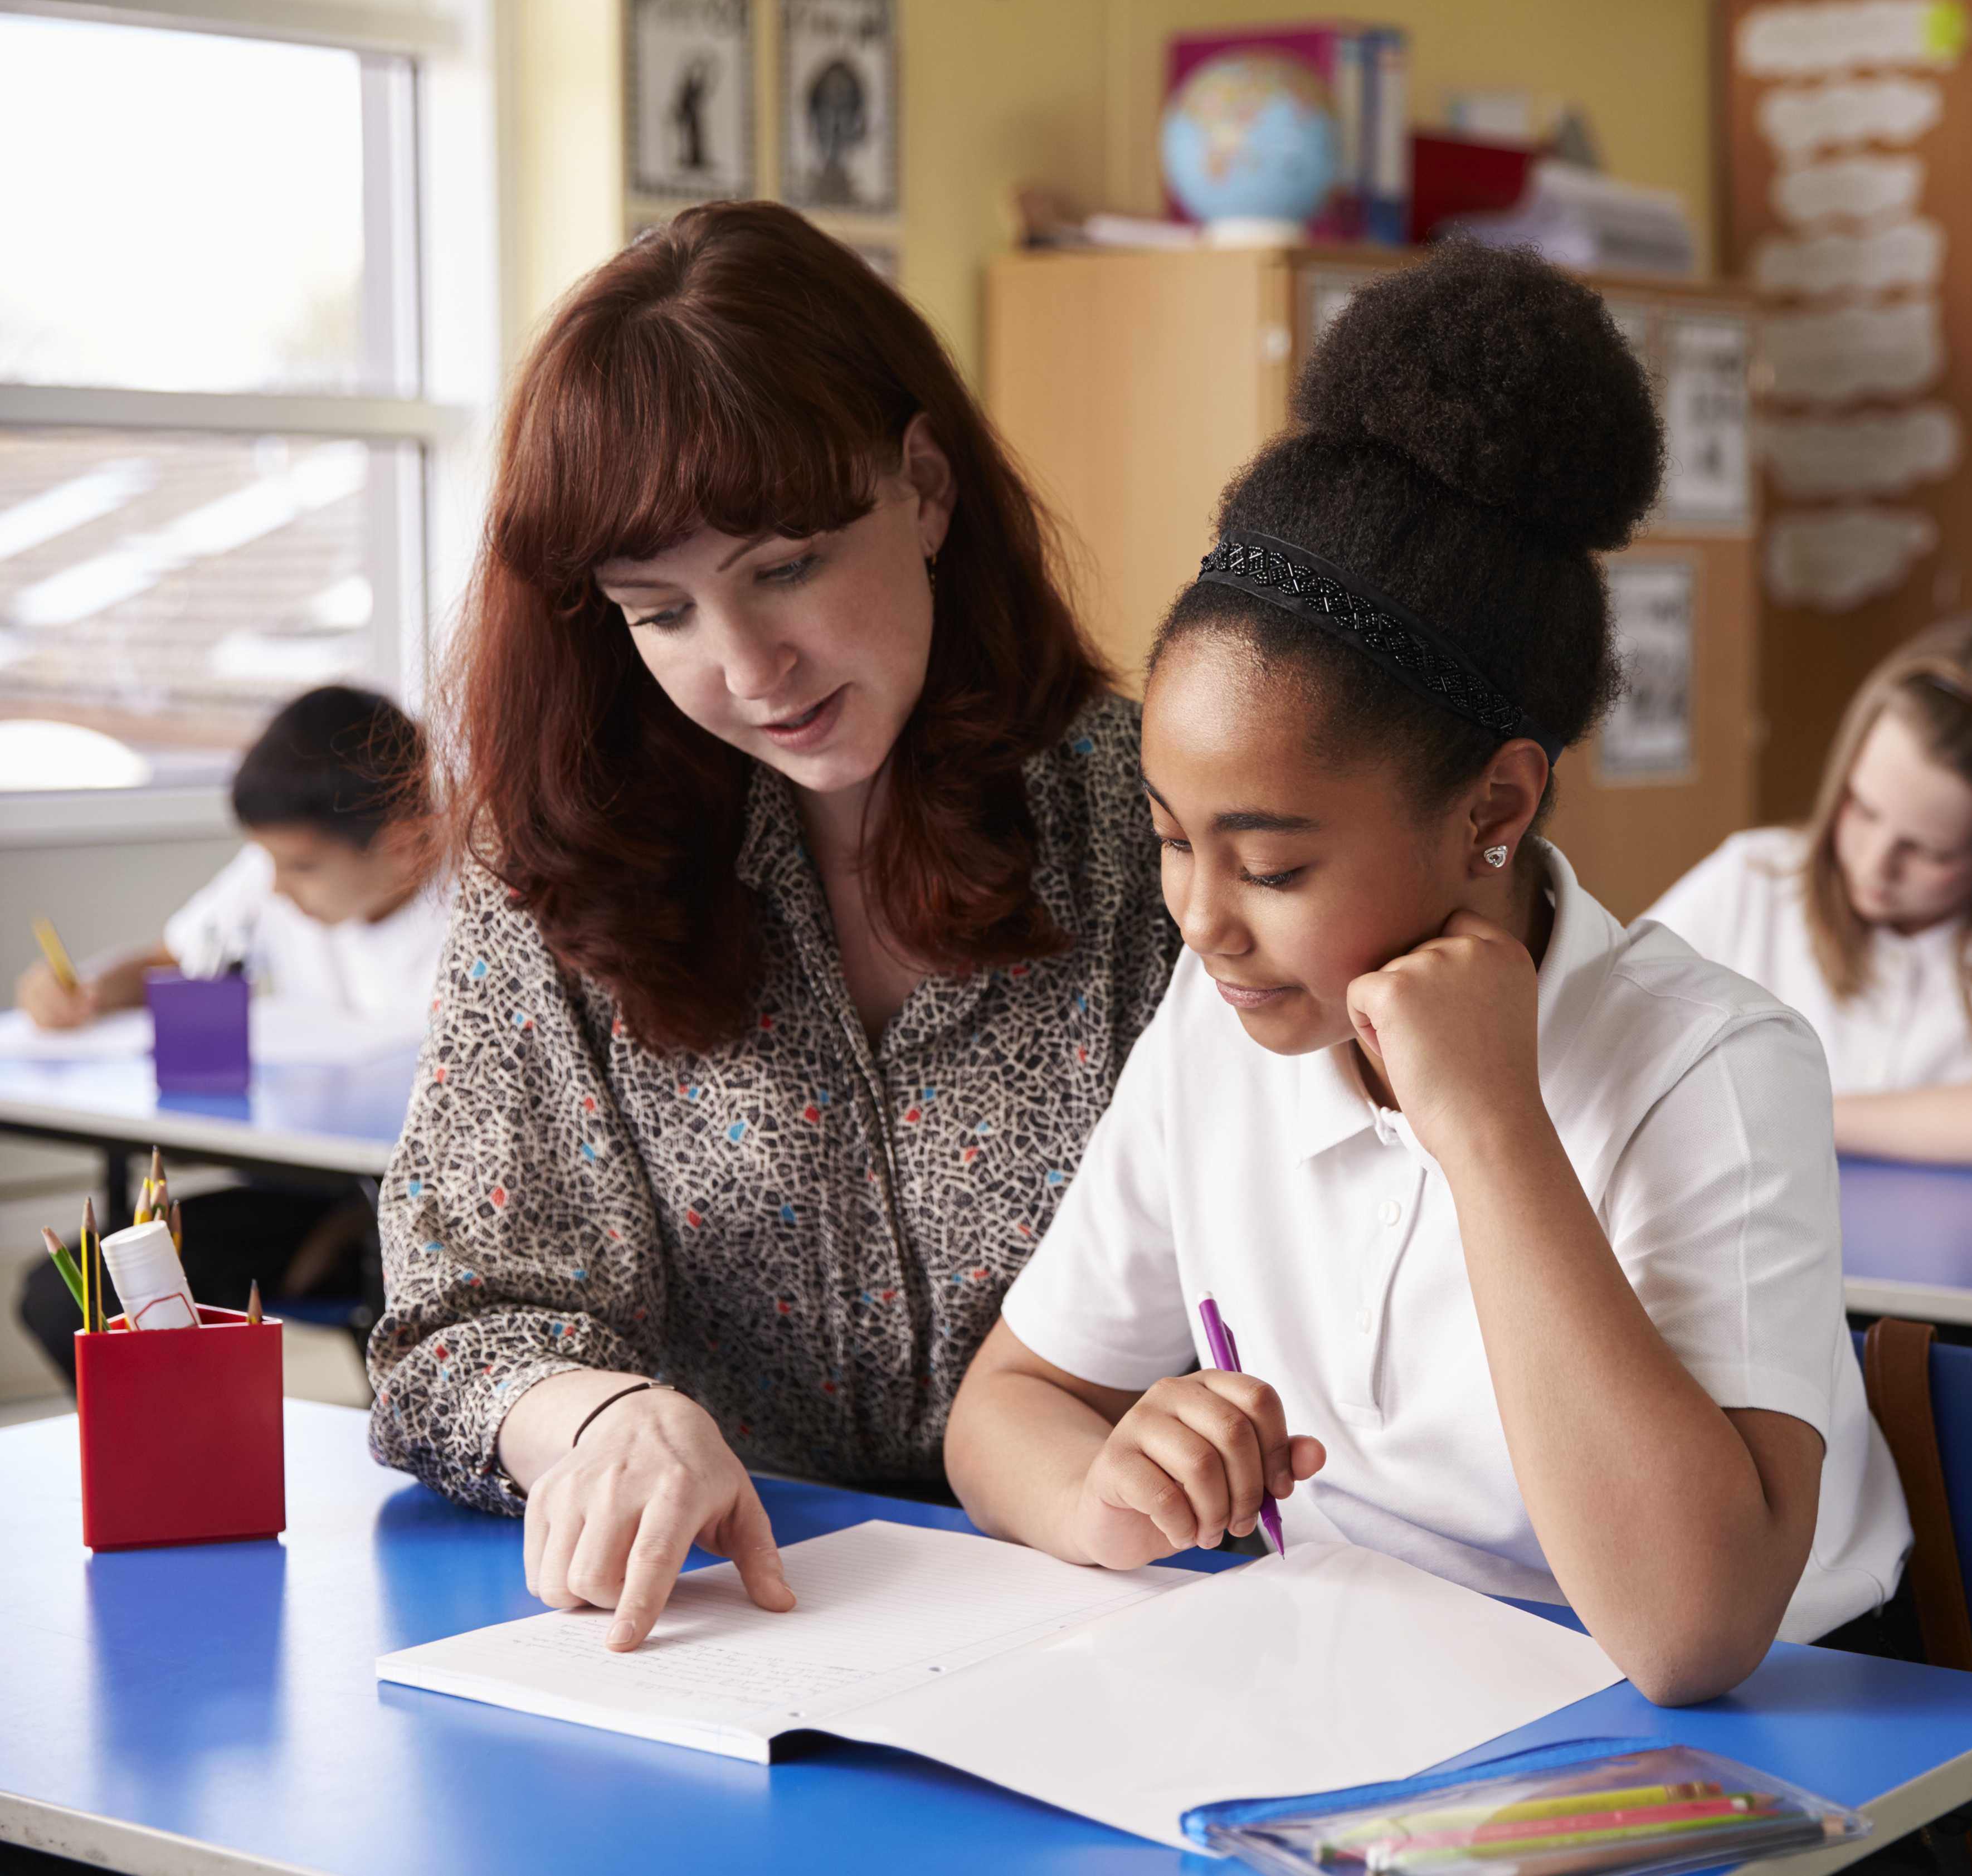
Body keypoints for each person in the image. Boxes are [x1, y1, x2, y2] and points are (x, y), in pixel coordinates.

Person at [942, 245, 1910, 1707]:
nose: (1200, 918)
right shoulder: (1223, 1026)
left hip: (1773, 1744)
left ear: (1491, 815)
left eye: (1269, 866)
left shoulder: (1711, 1066)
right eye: (1166, 841)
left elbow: (1690, 1634)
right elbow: (1004, 1406)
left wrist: (1487, 1126)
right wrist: (1105, 1489)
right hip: (1361, 1702)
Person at [364, 201, 1181, 1651]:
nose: (745, 667)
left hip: (1140, 1602)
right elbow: (454, 1328)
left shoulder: (1150, 822)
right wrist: (606, 1420)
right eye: (657, 610)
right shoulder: (558, 869)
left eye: (786, 565)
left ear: (923, 488)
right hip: (733, 1621)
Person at [14, 684, 445, 1382]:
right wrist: (83, 990)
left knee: (413, 1345)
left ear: (408, 844)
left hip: (428, 1210)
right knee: (69, 1298)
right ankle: (182, 1473)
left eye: (300, 868)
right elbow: (172, 957)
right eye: (268, 862)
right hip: (306, 1189)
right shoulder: (277, 872)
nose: (274, 888)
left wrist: (354, 1229)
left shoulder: (482, 908)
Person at [1647, 615, 1972, 1169]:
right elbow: (1590, 1029)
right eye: (1861, 808)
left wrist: (1781, 1109)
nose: (1873, 863)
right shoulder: (1752, 877)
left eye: (1929, 852)